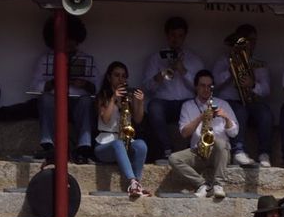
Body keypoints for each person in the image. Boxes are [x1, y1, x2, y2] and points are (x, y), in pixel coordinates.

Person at [28, 14, 97, 163]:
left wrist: (84, 84)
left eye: (73, 44)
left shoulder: (86, 59)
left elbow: (96, 86)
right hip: (54, 100)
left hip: (76, 101)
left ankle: (84, 146)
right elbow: (35, 86)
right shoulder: (46, 60)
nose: (70, 47)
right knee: (45, 99)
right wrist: (54, 82)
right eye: (67, 43)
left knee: (86, 101)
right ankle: (48, 144)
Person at [143, 15, 204, 162]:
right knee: (153, 106)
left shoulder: (194, 59)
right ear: (167, 35)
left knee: (197, 106)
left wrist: (183, 71)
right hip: (164, 103)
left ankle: (195, 152)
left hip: (186, 102)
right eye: (172, 35)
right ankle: (166, 150)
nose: (176, 39)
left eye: (180, 36)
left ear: (185, 37)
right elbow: (147, 87)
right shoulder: (156, 58)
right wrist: (162, 73)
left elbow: (201, 89)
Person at [170, 70, 238, 199]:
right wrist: (201, 117)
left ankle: (218, 185)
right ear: (196, 87)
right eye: (202, 85)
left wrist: (226, 118)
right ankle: (202, 185)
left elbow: (234, 133)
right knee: (174, 158)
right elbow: (184, 133)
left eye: (209, 86)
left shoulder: (223, 104)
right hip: (199, 151)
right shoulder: (187, 106)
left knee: (220, 142)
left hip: (220, 153)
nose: (206, 89)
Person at [215, 24, 273, 168]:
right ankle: (238, 152)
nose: (251, 44)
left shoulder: (259, 63)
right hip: (230, 101)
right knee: (239, 111)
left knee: (265, 113)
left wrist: (252, 85)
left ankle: (264, 153)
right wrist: (230, 71)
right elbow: (214, 84)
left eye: (253, 40)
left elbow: (266, 89)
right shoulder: (224, 60)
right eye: (246, 40)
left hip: (251, 101)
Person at [96, 61, 149, 198]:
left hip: (124, 142)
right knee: (117, 144)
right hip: (104, 143)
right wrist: (113, 98)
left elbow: (138, 119)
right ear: (109, 77)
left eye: (124, 76)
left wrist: (140, 102)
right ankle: (131, 181)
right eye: (117, 75)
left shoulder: (128, 97)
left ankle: (136, 183)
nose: (121, 79)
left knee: (141, 144)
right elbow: (105, 119)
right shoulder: (103, 95)